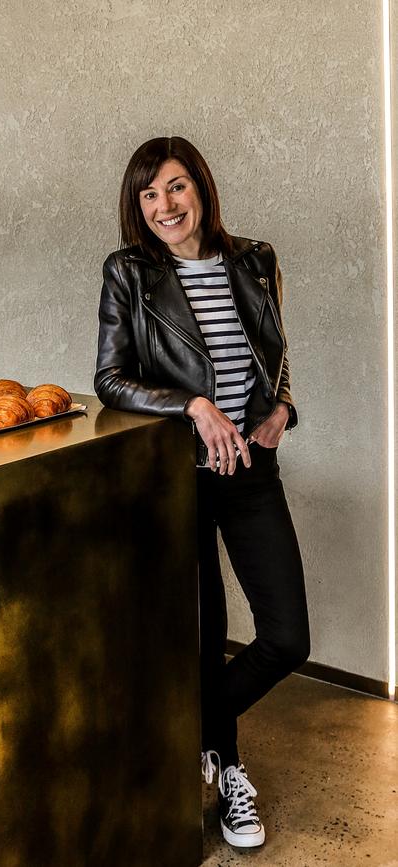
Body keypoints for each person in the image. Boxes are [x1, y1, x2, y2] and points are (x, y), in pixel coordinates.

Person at [94, 136, 310, 849]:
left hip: (249, 471)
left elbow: (274, 358)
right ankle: (229, 776)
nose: (165, 206)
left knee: (285, 635)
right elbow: (111, 378)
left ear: (202, 188)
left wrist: (282, 408)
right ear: (137, 207)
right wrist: (193, 404)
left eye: (176, 187)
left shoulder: (255, 260)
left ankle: (182, 733)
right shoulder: (129, 272)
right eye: (149, 195)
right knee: (204, 638)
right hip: (173, 477)